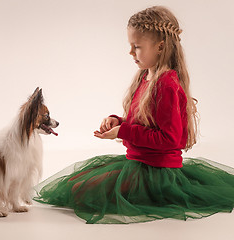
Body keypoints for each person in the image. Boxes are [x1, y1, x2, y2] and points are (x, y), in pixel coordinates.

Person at [34, 6, 234, 224]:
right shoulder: (145, 77)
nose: (130, 52)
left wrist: (125, 131)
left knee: (82, 192)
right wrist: (118, 122)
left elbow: (170, 139)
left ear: (160, 46)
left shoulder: (166, 84)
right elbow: (145, 123)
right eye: (130, 46)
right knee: (76, 183)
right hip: (138, 163)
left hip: (155, 173)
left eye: (136, 47)